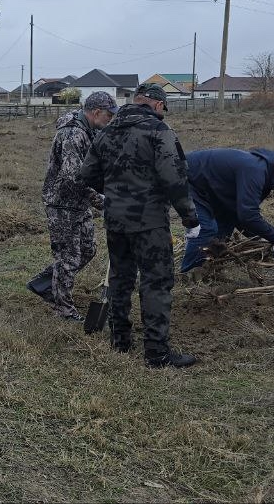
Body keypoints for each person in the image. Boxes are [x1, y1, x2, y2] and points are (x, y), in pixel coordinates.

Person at [79, 83, 200, 368]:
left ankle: (119, 340)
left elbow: (88, 174)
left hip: (115, 220)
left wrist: (116, 192)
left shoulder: (107, 131)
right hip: (150, 222)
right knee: (156, 282)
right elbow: (174, 178)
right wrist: (190, 218)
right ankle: (157, 352)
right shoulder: (159, 131)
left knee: (120, 279)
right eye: (163, 108)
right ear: (157, 104)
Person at [27, 91, 118, 320]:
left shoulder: (90, 130)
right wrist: (101, 201)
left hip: (79, 202)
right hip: (62, 204)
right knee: (68, 257)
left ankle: (44, 285)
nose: (110, 119)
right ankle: (64, 310)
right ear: (96, 112)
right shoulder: (72, 134)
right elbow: (72, 178)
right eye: (108, 115)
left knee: (88, 249)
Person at [179, 148, 274, 273]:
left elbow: (239, 214)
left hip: (207, 188)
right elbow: (248, 215)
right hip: (186, 177)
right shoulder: (255, 171)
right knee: (206, 228)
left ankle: (208, 266)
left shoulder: (267, 176)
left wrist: (259, 239)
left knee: (225, 224)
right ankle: (190, 273)